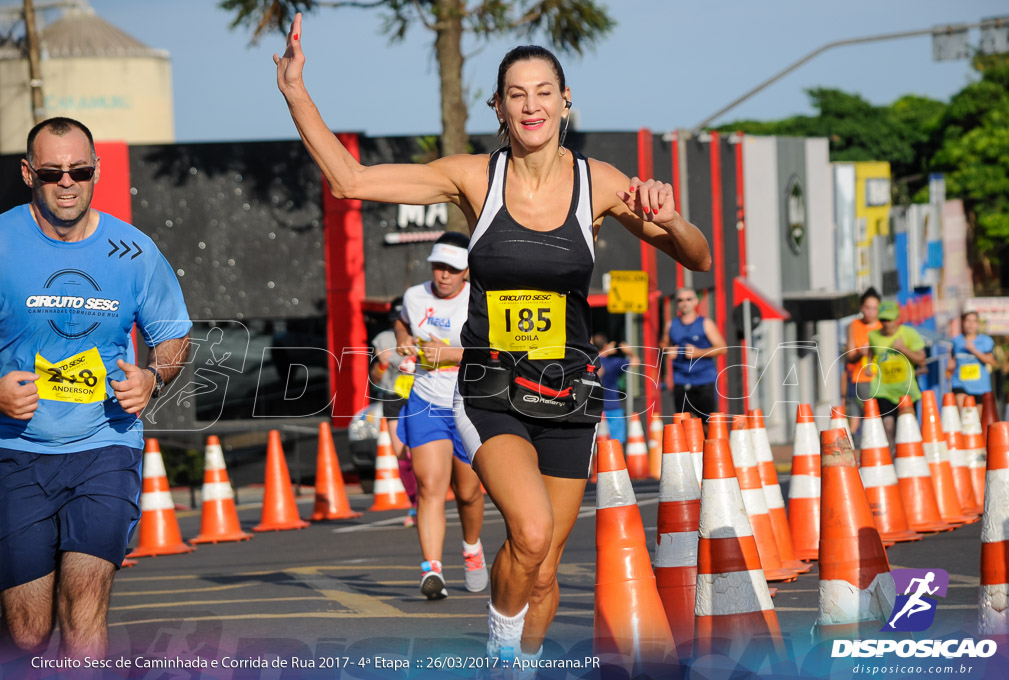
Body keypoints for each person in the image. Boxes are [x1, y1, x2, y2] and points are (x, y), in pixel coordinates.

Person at [275, 18, 710, 664]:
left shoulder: (603, 185)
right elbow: (351, 181)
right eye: (516, 93)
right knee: (530, 533)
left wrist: (670, 216)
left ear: (566, 102)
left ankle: (522, 665)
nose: (531, 105)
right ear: (499, 107)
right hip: (491, 392)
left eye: (543, 92)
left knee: (543, 567)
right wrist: (295, 93)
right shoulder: (474, 178)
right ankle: (502, 653)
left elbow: (697, 257)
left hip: (570, 397)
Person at [0, 117, 191, 662]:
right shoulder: (3, 242)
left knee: (84, 609)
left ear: (96, 171)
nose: (67, 183)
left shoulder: (132, 251)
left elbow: (173, 335)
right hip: (16, 453)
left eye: (79, 171)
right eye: (52, 172)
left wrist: (153, 377)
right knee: (27, 631)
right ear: (27, 173)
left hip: (105, 448)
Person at [393, 231, 487, 599]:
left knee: (468, 492)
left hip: (469, 401)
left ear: (466, 272)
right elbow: (402, 319)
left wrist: (447, 355)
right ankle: (432, 570)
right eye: (438, 267)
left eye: (452, 268)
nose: (444, 275)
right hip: (425, 400)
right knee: (430, 487)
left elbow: (493, 352)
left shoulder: (479, 300)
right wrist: (402, 336)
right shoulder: (415, 297)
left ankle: (472, 548)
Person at [368, 327, 417, 527]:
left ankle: (428, 502)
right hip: (394, 398)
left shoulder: (428, 330)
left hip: (423, 396)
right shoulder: (384, 338)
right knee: (402, 455)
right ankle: (415, 503)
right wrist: (382, 364)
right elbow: (375, 378)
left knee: (423, 453)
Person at [867, 301, 927, 448]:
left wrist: (903, 349)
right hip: (883, 391)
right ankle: (892, 459)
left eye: (889, 319)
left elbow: (922, 359)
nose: (886, 323)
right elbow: (871, 350)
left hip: (906, 391)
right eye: (883, 320)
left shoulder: (909, 334)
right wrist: (869, 365)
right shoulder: (873, 336)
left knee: (907, 428)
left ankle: (908, 458)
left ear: (897, 318)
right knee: (888, 427)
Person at [662, 287, 726, 423]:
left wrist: (698, 353)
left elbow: (722, 348)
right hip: (681, 380)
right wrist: (668, 350)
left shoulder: (705, 323)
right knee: (683, 423)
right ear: (677, 304)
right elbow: (663, 344)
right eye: (680, 300)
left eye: (688, 299)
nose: (685, 303)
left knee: (708, 422)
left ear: (696, 301)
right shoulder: (671, 325)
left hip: (704, 380)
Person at [844, 287, 882, 438]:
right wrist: (862, 353)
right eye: (867, 307)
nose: (871, 312)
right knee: (860, 416)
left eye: (874, 308)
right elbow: (850, 355)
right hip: (860, 379)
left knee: (878, 417)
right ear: (861, 307)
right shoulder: (854, 326)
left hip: (881, 379)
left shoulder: (883, 326)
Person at [592, 334, 638, 447]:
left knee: (594, 447)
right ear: (606, 345)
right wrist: (629, 351)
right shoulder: (614, 362)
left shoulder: (590, 362)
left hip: (594, 410)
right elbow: (635, 361)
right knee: (617, 445)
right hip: (613, 408)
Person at [947, 311, 996, 410]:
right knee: (965, 413)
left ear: (977, 324)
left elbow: (992, 362)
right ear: (963, 323)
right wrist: (949, 367)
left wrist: (974, 350)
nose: (971, 325)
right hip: (960, 384)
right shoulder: (956, 341)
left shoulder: (986, 341)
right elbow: (952, 359)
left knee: (978, 420)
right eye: (968, 321)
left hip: (980, 387)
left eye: (974, 321)